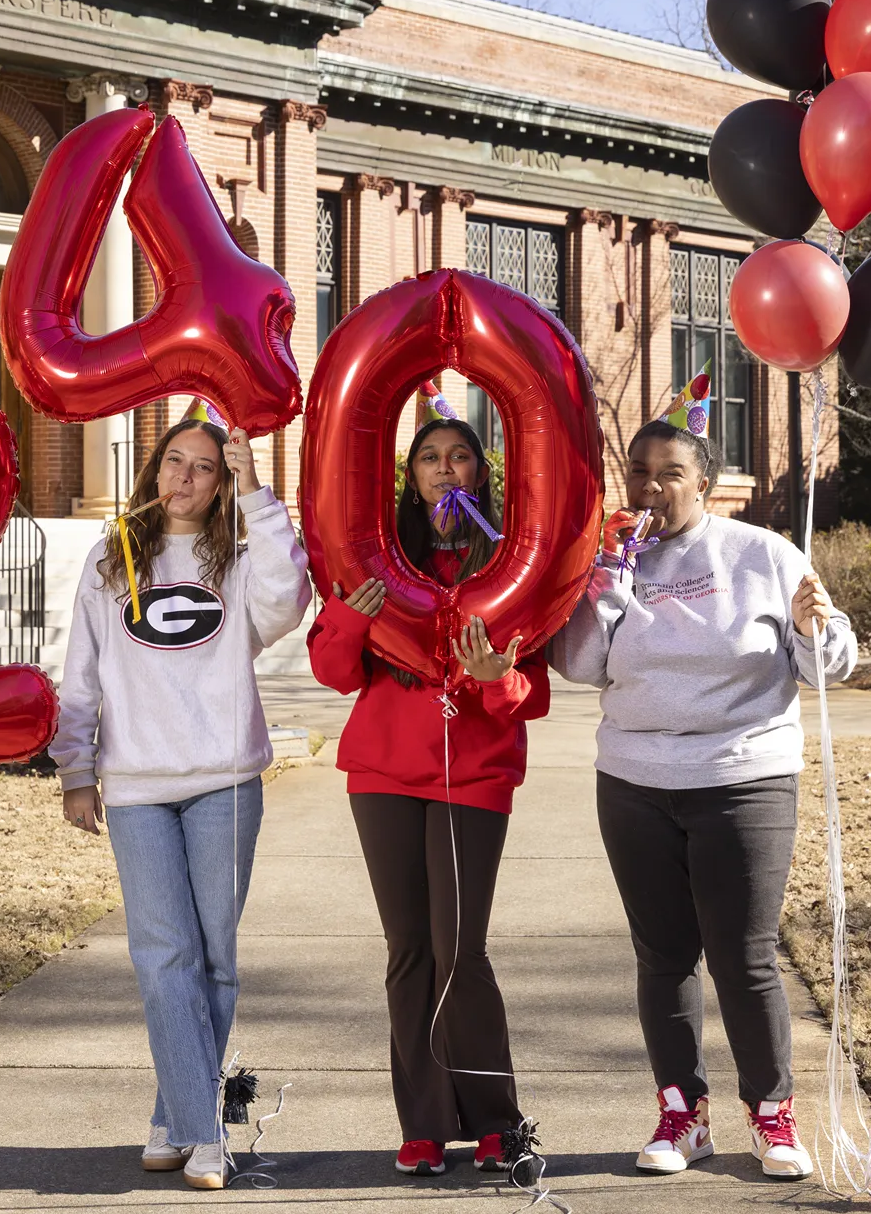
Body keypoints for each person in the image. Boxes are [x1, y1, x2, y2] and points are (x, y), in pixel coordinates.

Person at [549, 417, 856, 1181]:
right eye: (640, 470)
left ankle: (773, 1113)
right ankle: (682, 1113)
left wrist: (815, 628)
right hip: (634, 781)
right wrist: (608, 580)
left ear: (706, 484)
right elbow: (580, 663)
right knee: (663, 957)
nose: (651, 485)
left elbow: (829, 665)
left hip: (743, 777)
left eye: (671, 472)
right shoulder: (612, 557)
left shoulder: (762, 555)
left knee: (744, 956)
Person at [53, 418, 312, 1191]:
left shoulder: (236, 556)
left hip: (224, 780)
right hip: (137, 787)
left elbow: (289, 597)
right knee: (163, 956)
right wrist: (75, 767)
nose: (187, 478)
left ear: (222, 480)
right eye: (176, 461)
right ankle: (207, 1132)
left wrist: (259, 488)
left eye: (206, 468)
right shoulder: (110, 557)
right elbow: (80, 673)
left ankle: (175, 1114)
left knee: (214, 960)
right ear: (153, 466)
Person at [306, 411, 548, 1178]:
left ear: (483, 474)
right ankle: (422, 1123)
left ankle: (495, 1121)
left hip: (472, 780)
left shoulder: (511, 564)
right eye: (430, 459)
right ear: (409, 477)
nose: (446, 469)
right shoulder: (380, 558)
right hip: (381, 775)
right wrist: (349, 615)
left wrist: (494, 681)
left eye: (461, 457)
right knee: (409, 952)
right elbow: (334, 670)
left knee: (460, 952)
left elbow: (531, 691)